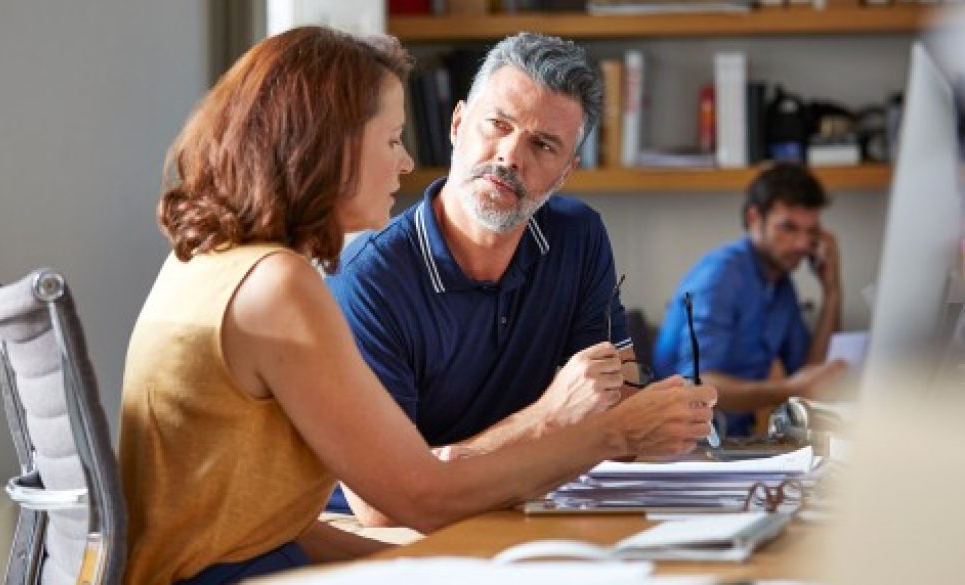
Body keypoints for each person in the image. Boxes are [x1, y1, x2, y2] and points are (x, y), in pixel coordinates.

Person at [118, 26, 717, 585]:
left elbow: (267, 526)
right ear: (326, 146)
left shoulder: (210, 262)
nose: (405, 163)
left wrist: (459, 561)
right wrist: (607, 435)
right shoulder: (278, 287)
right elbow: (416, 497)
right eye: (392, 139)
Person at [324, 32, 709, 526]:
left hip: (527, 509)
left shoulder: (579, 236)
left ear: (565, 172)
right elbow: (382, 504)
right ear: (458, 124)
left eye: (542, 144)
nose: (509, 156)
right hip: (392, 539)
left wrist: (662, 417)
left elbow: (621, 404)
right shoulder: (368, 281)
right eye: (497, 125)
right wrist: (549, 418)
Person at [653, 163, 847, 437]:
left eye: (811, 231)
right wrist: (789, 390)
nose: (803, 244)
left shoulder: (780, 284)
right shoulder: (720, 277)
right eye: (788, 228)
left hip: (731, 440)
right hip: (681, 444)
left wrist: (832, 291)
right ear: (754, 218)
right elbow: (695, 386)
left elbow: (810, 374)